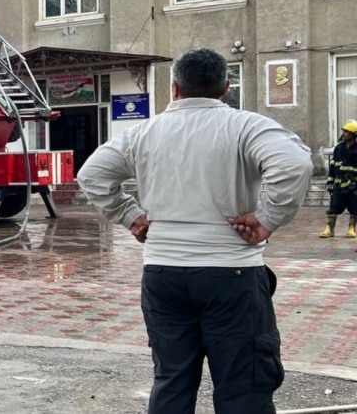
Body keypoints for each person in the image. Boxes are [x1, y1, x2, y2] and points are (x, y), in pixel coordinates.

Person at [77, 48, 313, 414]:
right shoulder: (245, 126)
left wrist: (130, 215)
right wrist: (266, 219)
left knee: (172, 380)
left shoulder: (143, 132)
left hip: (163, 273)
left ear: (174, 88)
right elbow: (294, 164)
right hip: (231, 273)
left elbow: (92, 174)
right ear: (225, 89)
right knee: (243, 386)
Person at [320, 119, 357, 238]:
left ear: (353, 134)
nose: (344, 134)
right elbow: (333, 165)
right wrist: (330, 181)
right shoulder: (339, 148)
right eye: (344, 131)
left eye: (347, 132)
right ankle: (329, 229)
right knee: (334, 206)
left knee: (354, 207)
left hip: (353, 184)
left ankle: (351, 229)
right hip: (339, 183)